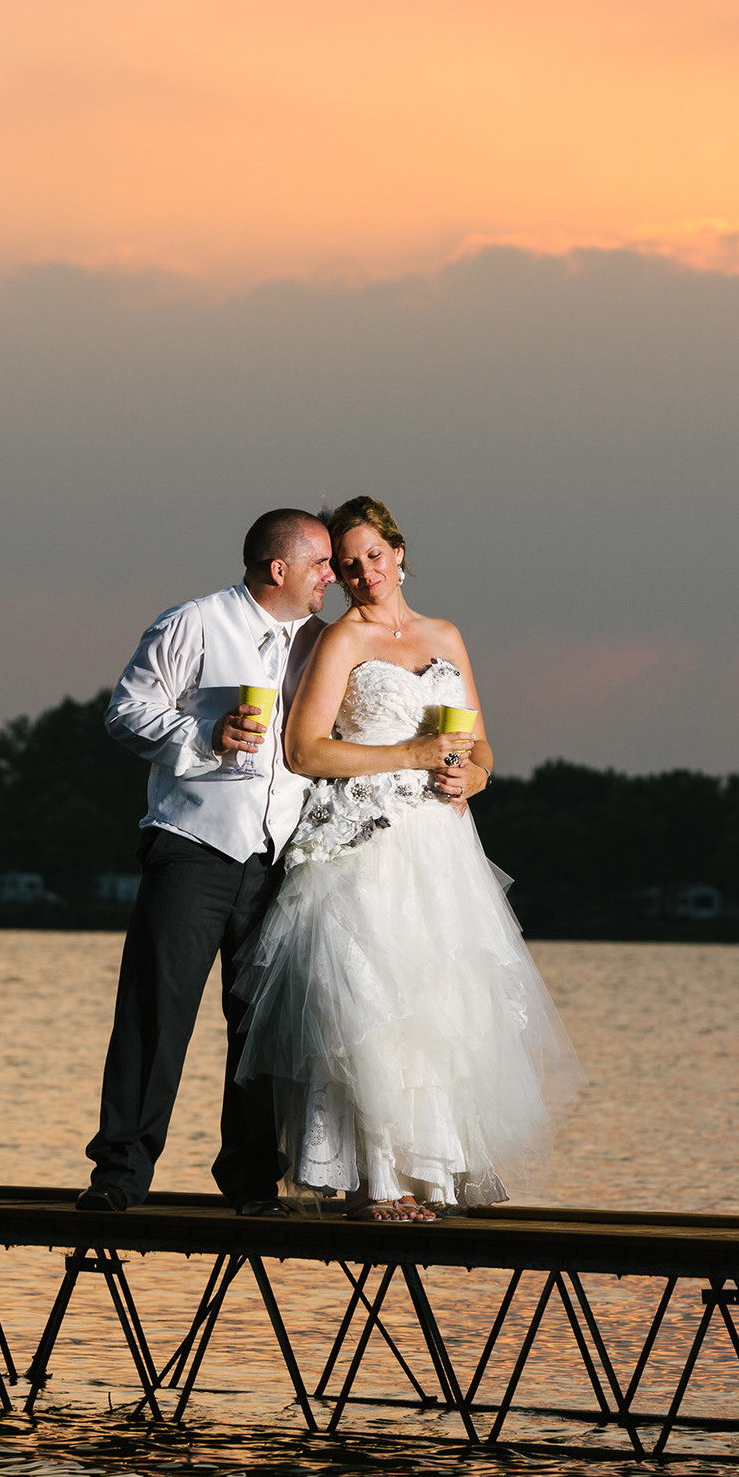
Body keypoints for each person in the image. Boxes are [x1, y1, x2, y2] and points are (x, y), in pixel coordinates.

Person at [233, 496, 585, 1222]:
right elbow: (304, 750)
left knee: (440, 1008)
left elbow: (481, 747)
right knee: (369, 1008)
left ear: (399, 551)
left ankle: (433, 1171)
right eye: (348, 563)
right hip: (365, 846)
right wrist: (412, 755)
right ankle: (378, 1181)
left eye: (374, 554)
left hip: (442, 850)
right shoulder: (341, 641)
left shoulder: (446, 635)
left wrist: (472, 775)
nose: (363, 572)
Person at [76, 508, 334, 1214]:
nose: (331, 576)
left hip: (275, 862)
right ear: (278, 568)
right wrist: (206, 733)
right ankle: (119, 1179)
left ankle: (250, 1182)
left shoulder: (322, 643)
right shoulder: (194, 623)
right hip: (193, 850)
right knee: (156, 1016)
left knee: (258, 1028)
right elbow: (126, 712)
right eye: (320, 564)